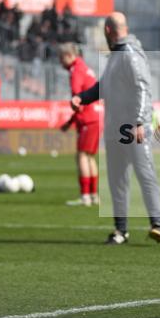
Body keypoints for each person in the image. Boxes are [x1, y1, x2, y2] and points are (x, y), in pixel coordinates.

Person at [71, 12, 160, 245]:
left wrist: (140, 122)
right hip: (115, 129)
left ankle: (157, 224)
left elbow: (142, 87)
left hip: (133, 129)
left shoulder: (130, 54)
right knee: (117, 181)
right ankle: (120, 231)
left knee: (145, 175)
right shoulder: (117, 56)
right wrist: (82, 98)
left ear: (107, 30)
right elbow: (103, 87)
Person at [58, 43, 102, 207]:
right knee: (89, 157)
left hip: (88, 118)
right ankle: (93, 195)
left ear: (69, 55)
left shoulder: (76, 71)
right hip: (97, 116)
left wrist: (70, 122)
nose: (60, 62)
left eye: (61, 58)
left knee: (82, 156)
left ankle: (85, 196)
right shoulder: (86, 68)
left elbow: (78, 99)